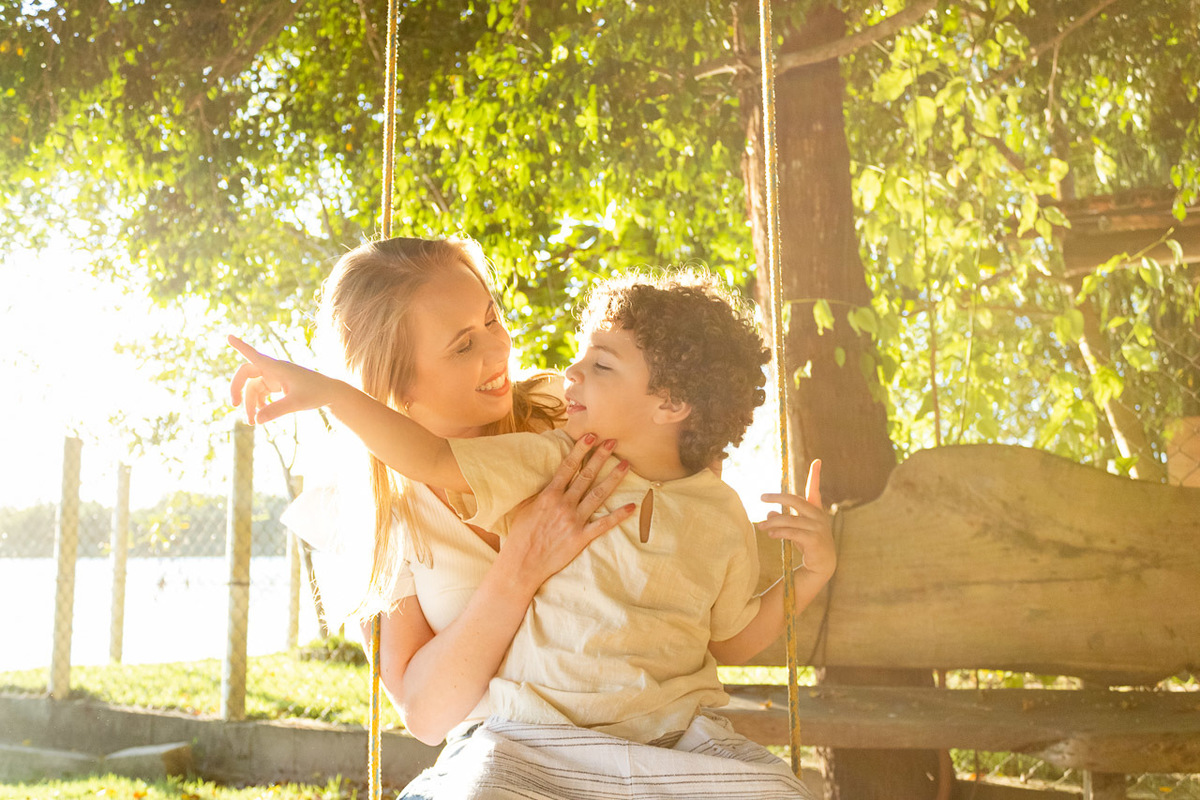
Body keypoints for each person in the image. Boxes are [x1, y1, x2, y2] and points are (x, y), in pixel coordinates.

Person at [232, 237, 833, 798]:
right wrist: (522, 562)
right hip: (517, 747)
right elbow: (427, 714)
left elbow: (686, 478)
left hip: (664, 737)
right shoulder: (366, 503)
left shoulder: (567, 416)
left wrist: (808, 568)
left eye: (492, 319)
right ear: (396, 382)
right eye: (463, 345)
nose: (500, 351)